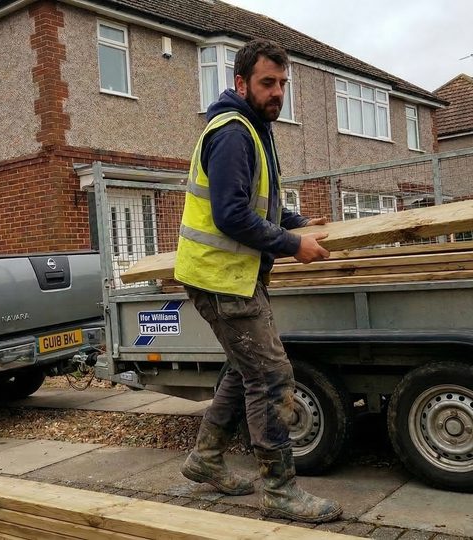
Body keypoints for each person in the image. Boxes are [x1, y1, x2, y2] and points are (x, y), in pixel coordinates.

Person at [174, 38, 342, 523]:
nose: (277, 93)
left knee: (242, 370)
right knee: (271, 378)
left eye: (283, 83)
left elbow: (256, 204)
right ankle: (279, 490)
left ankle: (205, 459)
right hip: (222, 279)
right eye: (268, 83)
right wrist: (294, 246)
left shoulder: (253, 128)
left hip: (230, 274)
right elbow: (230, 215)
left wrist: (296, 222)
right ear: (241, 83)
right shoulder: (233, 133)